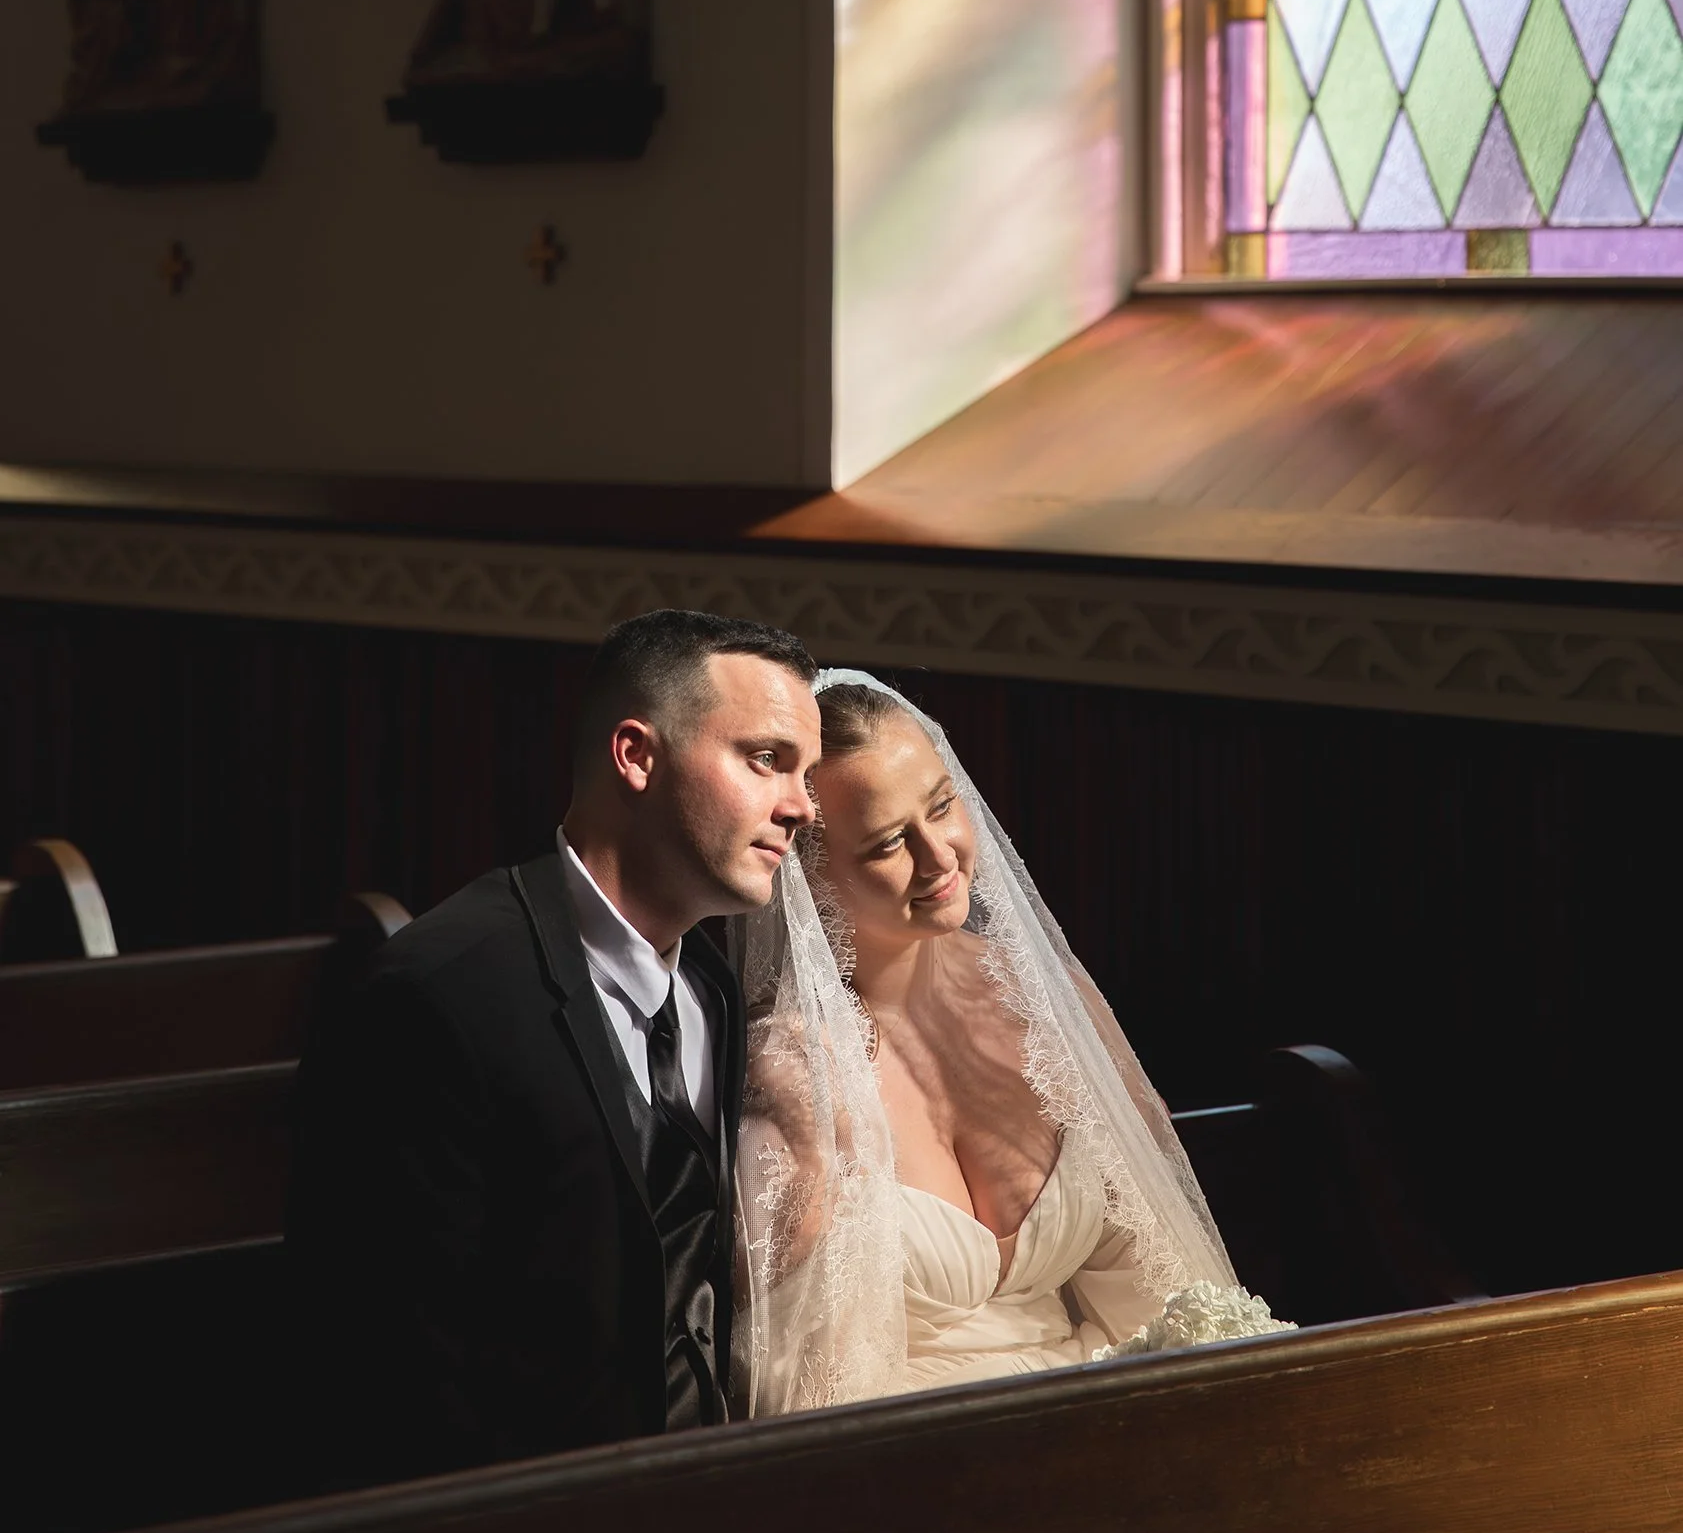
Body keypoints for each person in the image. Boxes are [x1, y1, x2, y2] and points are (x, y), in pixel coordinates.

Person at [287, 609, 821, 1483]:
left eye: (806, 773)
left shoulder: (709, 986)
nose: (801, 805)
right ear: (636, 755)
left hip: (704, 1487)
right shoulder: (433, 994)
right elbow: (393, 1365)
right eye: (766, 758)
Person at [734, 670, 1290, 1414]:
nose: (940, 857)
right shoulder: (791, 1069)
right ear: (809, 871)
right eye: (888, 842)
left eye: (941, 806)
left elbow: (1162, 1288)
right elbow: (800, 1389)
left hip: (1106, 1409)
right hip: (914, 1444)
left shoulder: (1047, 1002)